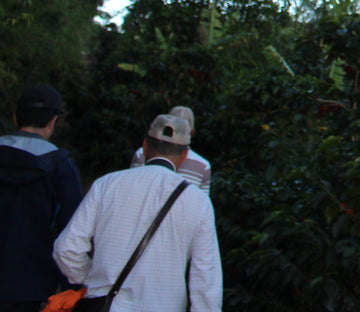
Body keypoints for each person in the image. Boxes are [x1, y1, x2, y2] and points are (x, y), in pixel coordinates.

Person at [54, 114, 222, 312]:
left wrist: (92, 280)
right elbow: (206, 276)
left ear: (144, 146)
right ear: (185, 155)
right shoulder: (198, 201)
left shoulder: (106, 184)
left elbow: (66, 248)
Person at [0, 84, 84, 312]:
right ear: (52, 121)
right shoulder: (59, 165)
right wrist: (71, 287)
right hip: (31, 284)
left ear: (15, 117)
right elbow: (71, 229)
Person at [129, 106, 211, 195]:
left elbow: (132, 183)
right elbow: (203, 199)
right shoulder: (203, 166)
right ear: (192, 132)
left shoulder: (141, 153)